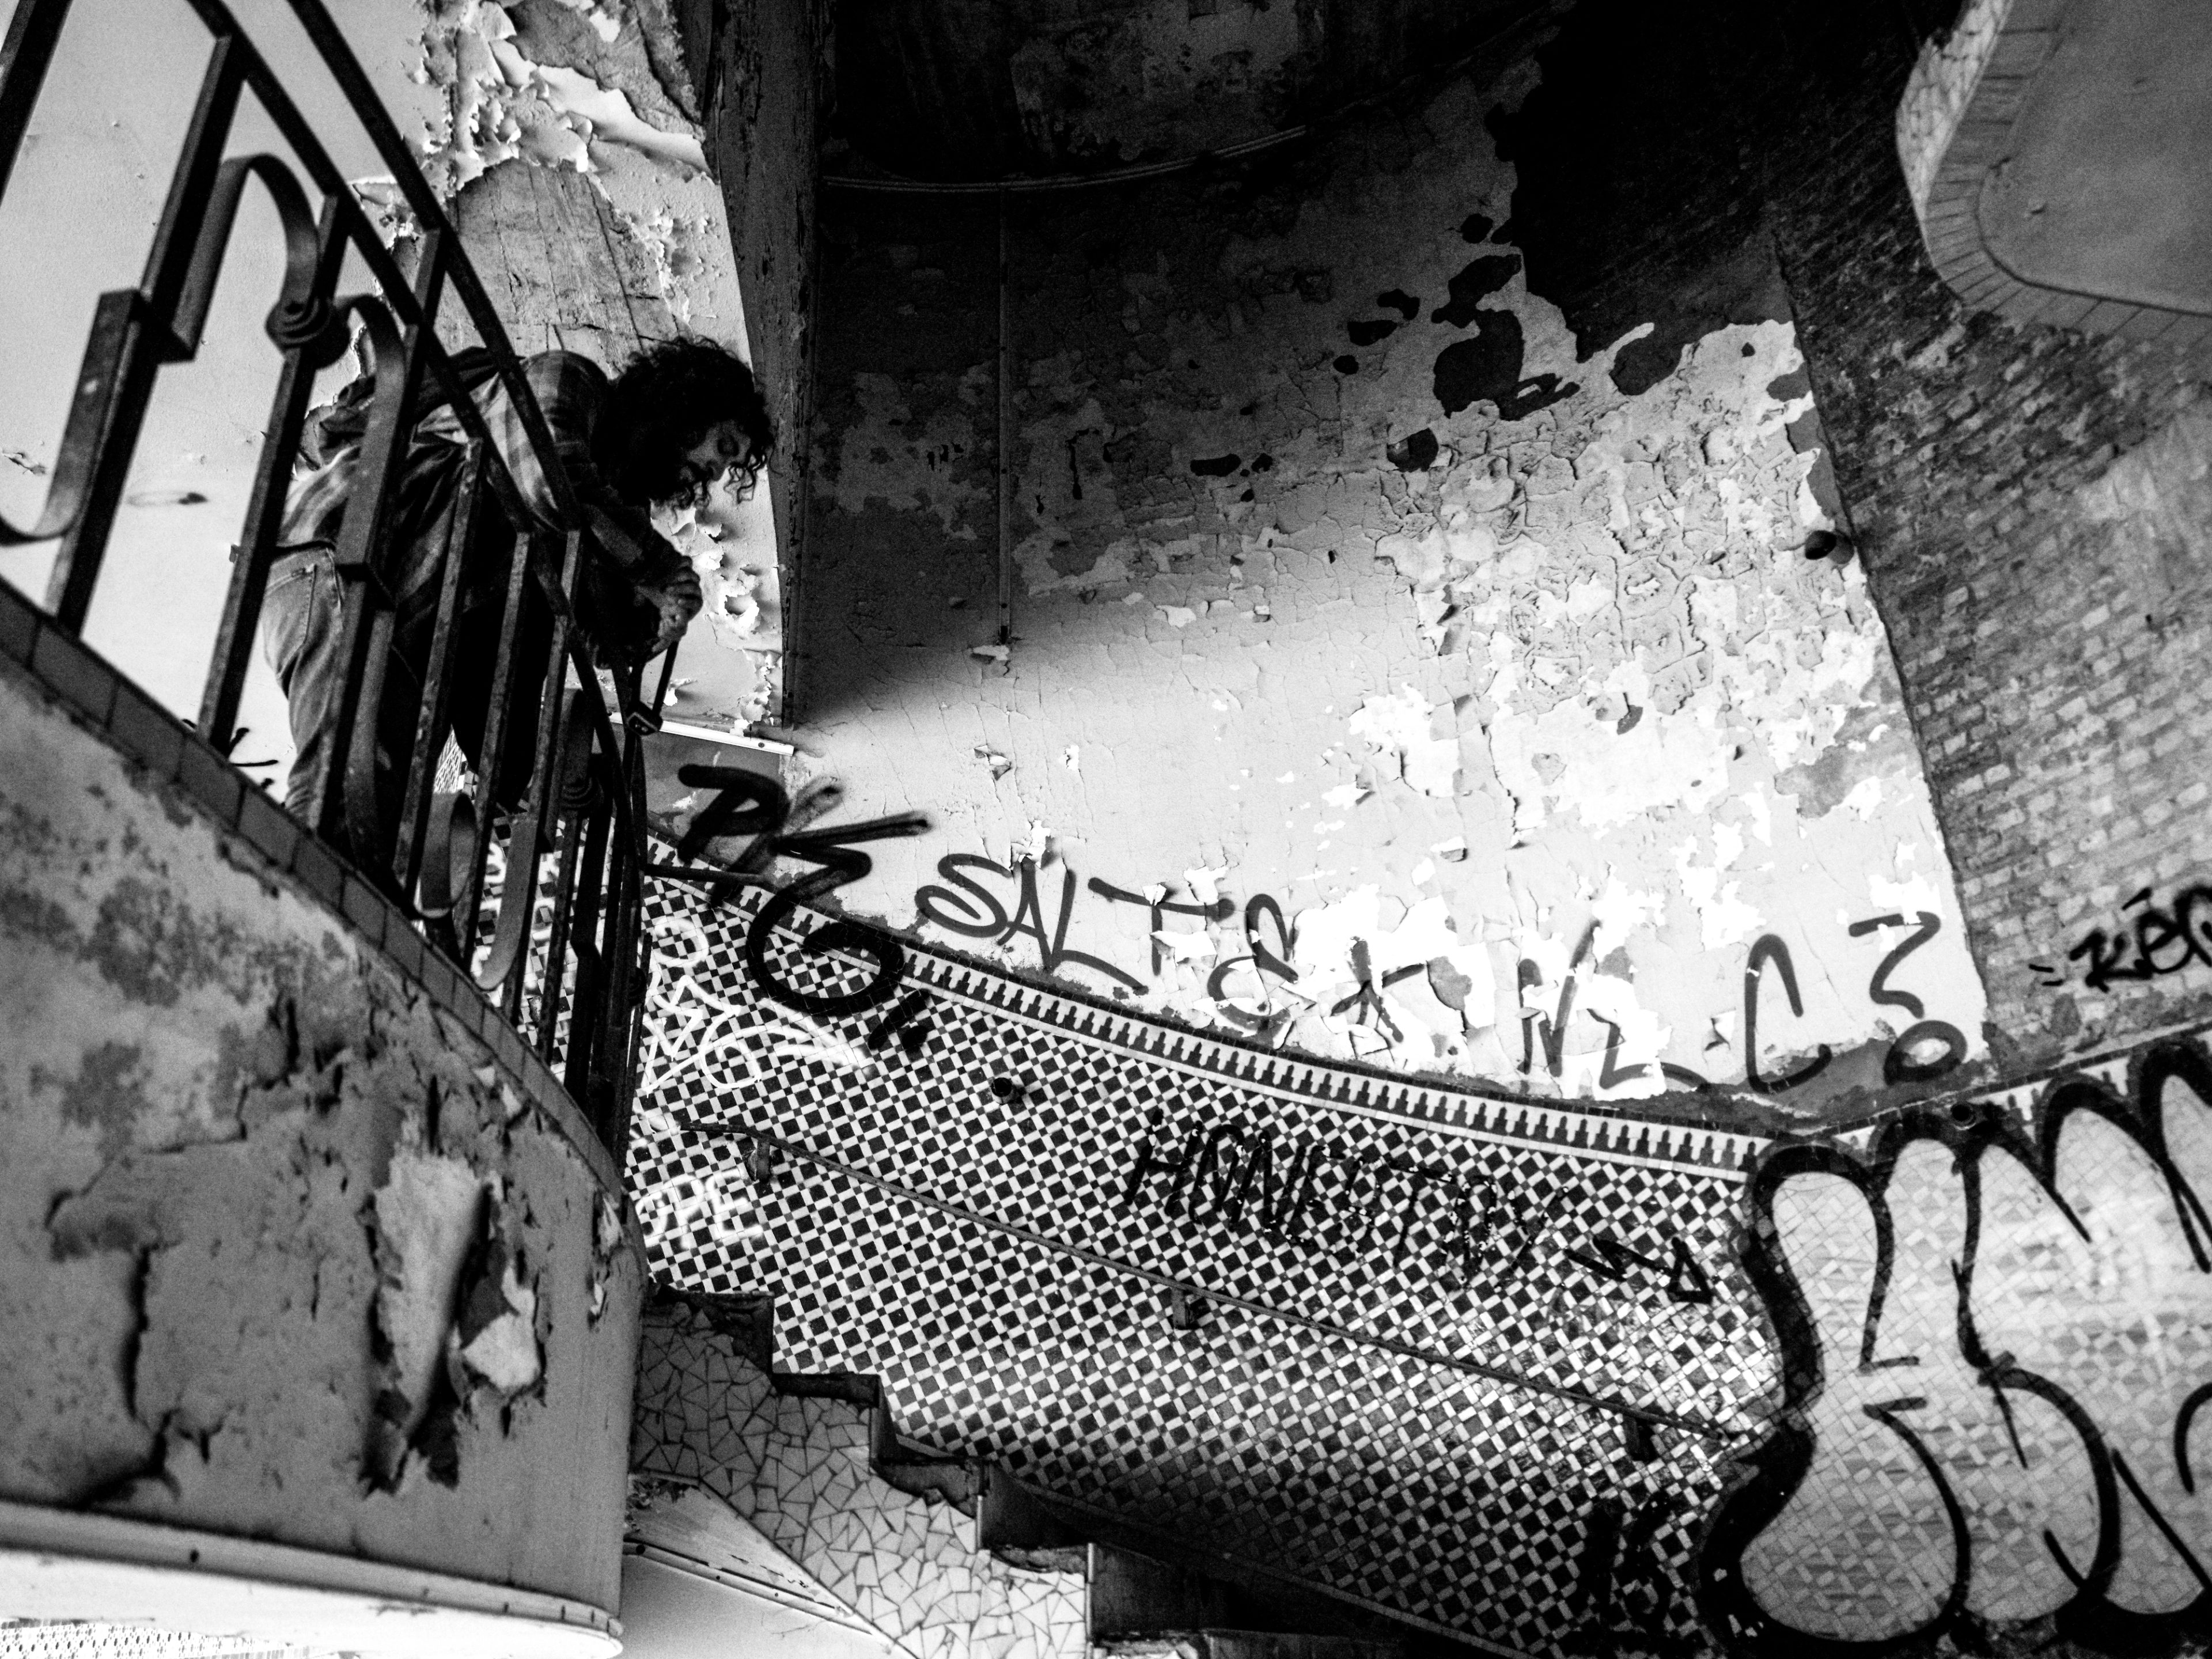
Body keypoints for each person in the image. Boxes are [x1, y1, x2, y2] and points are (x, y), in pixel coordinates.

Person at [262, 336, 769, 844]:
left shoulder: (604, 513)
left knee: (375, 814)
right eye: (722, 448)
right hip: (346, 561)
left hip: (410, 638)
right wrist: (658, 570)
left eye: (727, 470)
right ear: (685, 409)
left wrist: (658, 621)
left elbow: (593, 635)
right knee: (340, 801)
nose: (715, 473)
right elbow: (545, 475)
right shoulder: (571, 380)